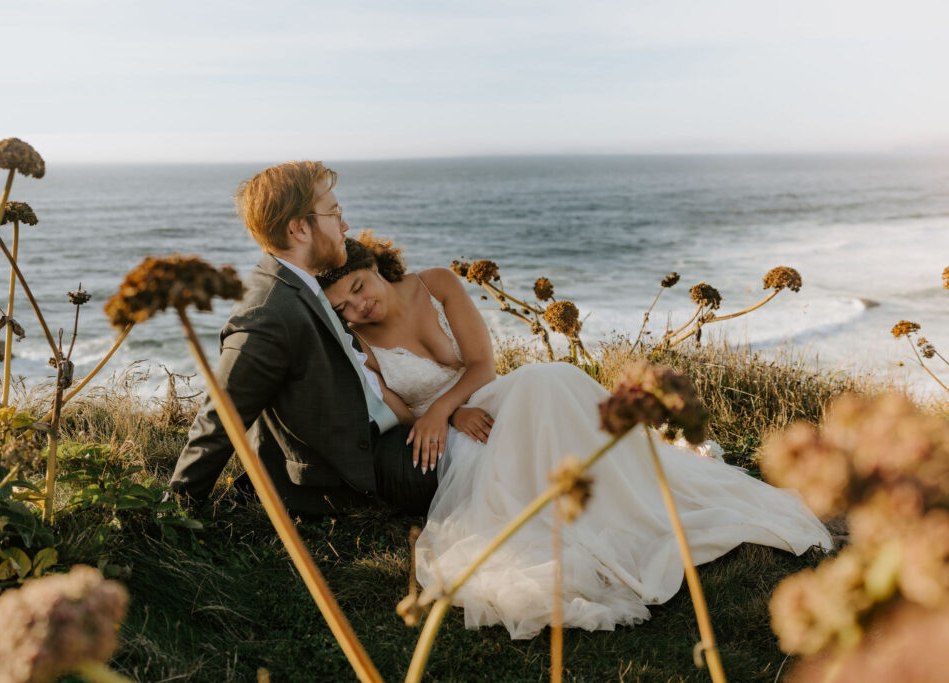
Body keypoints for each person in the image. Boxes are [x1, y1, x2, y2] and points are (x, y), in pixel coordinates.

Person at [318, 234, 833, 639]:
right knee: (531, 419)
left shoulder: (435, 284)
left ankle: (630, 498)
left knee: (550, 376)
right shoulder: (359, 343)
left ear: (374, 268)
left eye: (358, 289)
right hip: (460, 433)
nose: (357, 308)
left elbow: (482, 365)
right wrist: (445, 418)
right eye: (343, 307)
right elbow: (406, 411)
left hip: (494, 398)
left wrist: (451, 407)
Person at [169, 162, 436, 515]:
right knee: (496, 460)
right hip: (365, 470)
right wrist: (172, 513)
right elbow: (221, 419)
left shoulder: (302, 282)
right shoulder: (268, 312)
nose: (345, 225)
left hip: (393, 435)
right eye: (334, 213)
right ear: (299, 229)